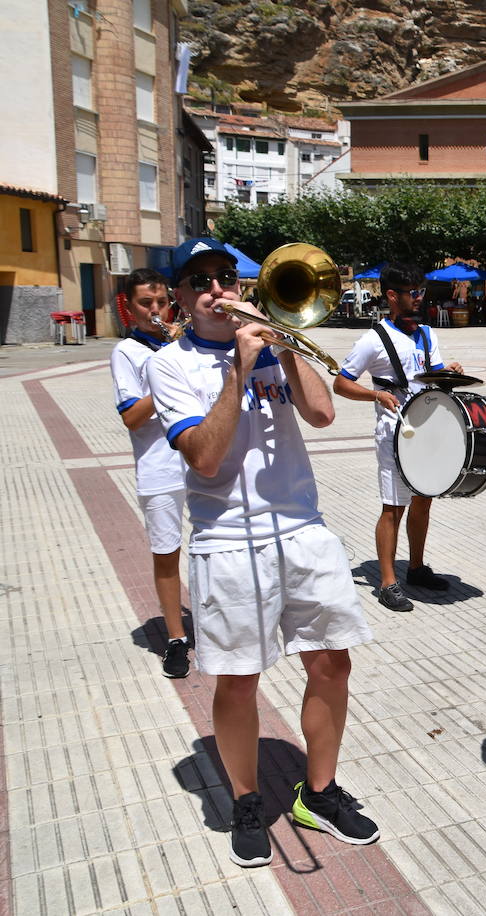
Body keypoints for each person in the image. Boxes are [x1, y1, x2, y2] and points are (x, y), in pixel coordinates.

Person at [147, 237, 378, 867]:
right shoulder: (169, 365)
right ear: (183, 300)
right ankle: (246, 799)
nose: (217, 290)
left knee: (333, 664)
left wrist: (286, 346)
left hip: (303, 528)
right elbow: (203, 457)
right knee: (239, 680)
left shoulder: (276, 345)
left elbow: (324, 413)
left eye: (227, 277)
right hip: (227, 540)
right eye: (200, 282)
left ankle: (320, 792)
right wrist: (240, 372)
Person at [334, 264, 459, 612]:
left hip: (427, 429)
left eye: (421, 291)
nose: (419, 298)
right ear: (392, 296)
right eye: (412, 293)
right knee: (393, 507)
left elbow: (430, 375)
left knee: (424, 500)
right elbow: (341, 382)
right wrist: (375, 395)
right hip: (394, 431)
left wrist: (448, 373)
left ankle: (416, 568)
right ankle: (388, 582)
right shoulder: (373, 339)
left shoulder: (428, 333)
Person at [111, 268, 190, 678]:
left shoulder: (182, 344)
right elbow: (131, 418)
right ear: (130, 306)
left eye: (161, 302)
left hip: (198, 460)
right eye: (146, 303)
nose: (156, 310)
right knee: (167, 553)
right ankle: (176, 639)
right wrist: (166, 366)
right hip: (159, 468)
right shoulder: (128, 352)